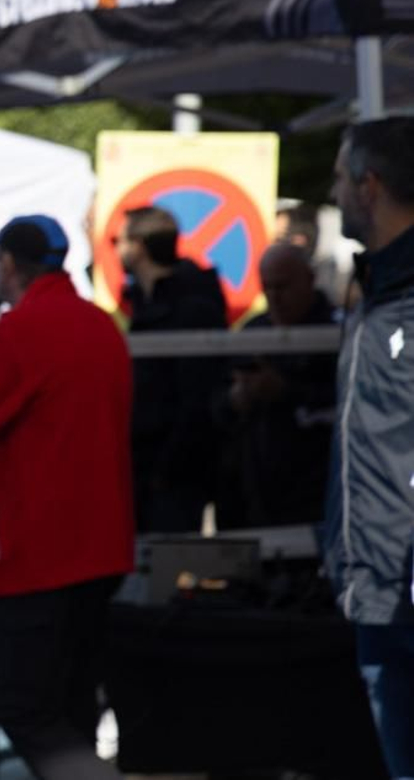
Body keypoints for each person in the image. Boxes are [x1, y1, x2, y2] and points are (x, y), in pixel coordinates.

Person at [0, 215, 134, 780]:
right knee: (72, 705)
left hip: (36, 553)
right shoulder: (101, 326)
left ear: (7, 265)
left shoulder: (20, 333)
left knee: (26, 709)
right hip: (100, 548)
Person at [323, 115, 414, 779]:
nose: (332, 193)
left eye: (337, 178)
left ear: (369, 185)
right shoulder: (375, 291)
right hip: (374, 587)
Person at [117, 206, 228, 532]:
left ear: (137, 246)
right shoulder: (145, 302)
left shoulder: (192, 308)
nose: (117, 249)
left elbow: (196, 400)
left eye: (118, 240)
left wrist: (165, 471)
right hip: (147, 469)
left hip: (174, 474)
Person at [216, 243, 336, 528]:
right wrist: (236, 398)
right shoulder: (252, 333)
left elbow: (344, 402)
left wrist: (287, 393)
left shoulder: (336, 333)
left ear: (308, 279)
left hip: (316, 491)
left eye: (282, 287)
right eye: (267, 288)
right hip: (255, 492)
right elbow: (215, 403)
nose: (274, 297)